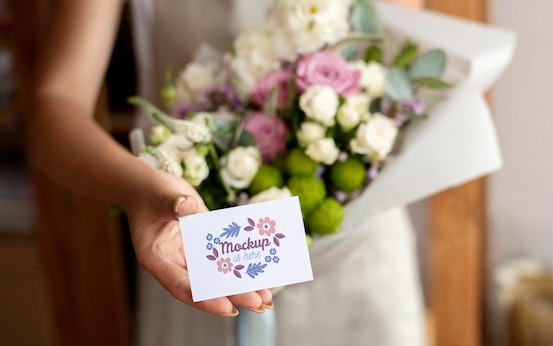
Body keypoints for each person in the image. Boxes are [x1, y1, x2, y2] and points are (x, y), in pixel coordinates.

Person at [28, 0, 427, 345]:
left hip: (354, 258)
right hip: (197, 249)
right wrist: (139, 188)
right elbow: (54, 106)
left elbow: (405, 73)